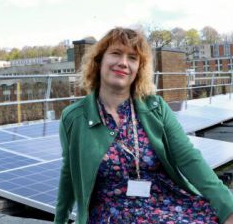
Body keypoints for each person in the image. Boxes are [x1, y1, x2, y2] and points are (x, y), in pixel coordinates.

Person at [54, 27, 233, 224]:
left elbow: (189, 159)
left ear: (139, 68)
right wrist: (59, 220)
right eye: (115, 53)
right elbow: (69, 174)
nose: (123, 63)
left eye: (132, 58)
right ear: (99, 61)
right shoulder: (74, 117)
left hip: (167, 200)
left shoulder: (155, 108)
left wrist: (227, 207)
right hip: (112, 210)